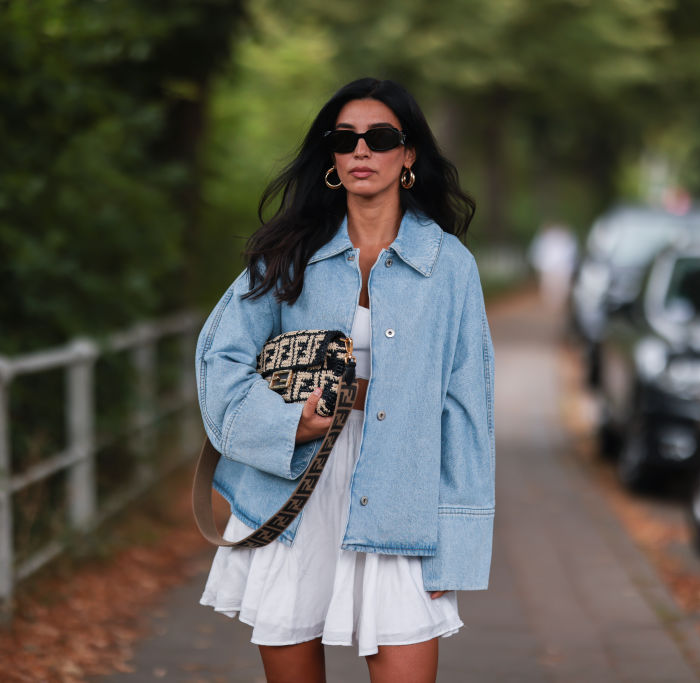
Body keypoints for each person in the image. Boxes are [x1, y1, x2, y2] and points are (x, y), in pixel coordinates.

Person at [195, 77, 495, 683]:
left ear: (408, 154)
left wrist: (454, 556)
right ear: (330, 156)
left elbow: (467, 413)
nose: (362, 150)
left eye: (380, 137)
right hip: (294, 493)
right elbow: (218, 357)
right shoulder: (288, 253)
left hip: (401, 503)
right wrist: (284, 426)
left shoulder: (450, 268)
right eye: (345, 138)